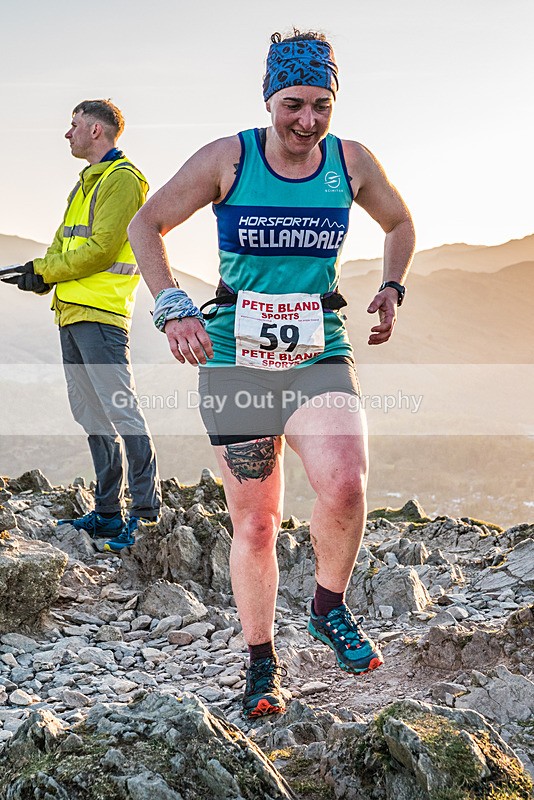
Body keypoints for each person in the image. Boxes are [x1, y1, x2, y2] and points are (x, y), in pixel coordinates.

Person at [128, 30, 415, 719]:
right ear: (269, 100)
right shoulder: (230, 158)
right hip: (236, 359)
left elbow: (399, 221)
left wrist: (392, 285)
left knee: (346, 484)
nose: (307, 120)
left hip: (318, 349)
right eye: (293, 104)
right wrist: (172, 307)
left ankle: (327, 608)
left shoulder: (351, 163)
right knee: (256, 522)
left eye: (321, 104)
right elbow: (148, 223)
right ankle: (261, 664)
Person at [2, 99, 161, 552]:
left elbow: (102, 250)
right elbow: (61, 247)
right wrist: (38, 275)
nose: (67, 133)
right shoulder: (84, 185)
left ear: (96, 130)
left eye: (73, 125)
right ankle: (109, 514)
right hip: (71, 313)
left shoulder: (123, 180)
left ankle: (146, 515)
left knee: (121, 411)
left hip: (101, 316)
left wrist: (45, 269)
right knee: (91, 415)